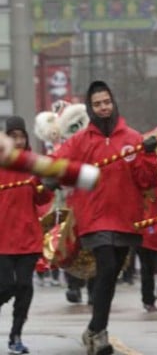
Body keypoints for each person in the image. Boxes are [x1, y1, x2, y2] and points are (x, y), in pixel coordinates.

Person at [53, 81, 157, 355]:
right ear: (90, 107)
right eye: (97, 103)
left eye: (106, 102)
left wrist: (148, 155)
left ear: (113, 103)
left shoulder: (133, 138)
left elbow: (146, 180)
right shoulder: (80, 142)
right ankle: (98, 333)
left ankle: (94, 329)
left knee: (110, 274)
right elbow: (58, 162)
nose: (103, 108)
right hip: (94, 217)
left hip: (125, 217)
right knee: (108, 265)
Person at [0, 117, 54, 354]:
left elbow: (41, 199)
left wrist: (48, 185)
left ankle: (16, 336)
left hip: (28, 239)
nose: (18, 141)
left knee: (24, 287)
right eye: (13, 136)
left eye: (21, 136)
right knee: (6, 285)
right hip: (2, 239)